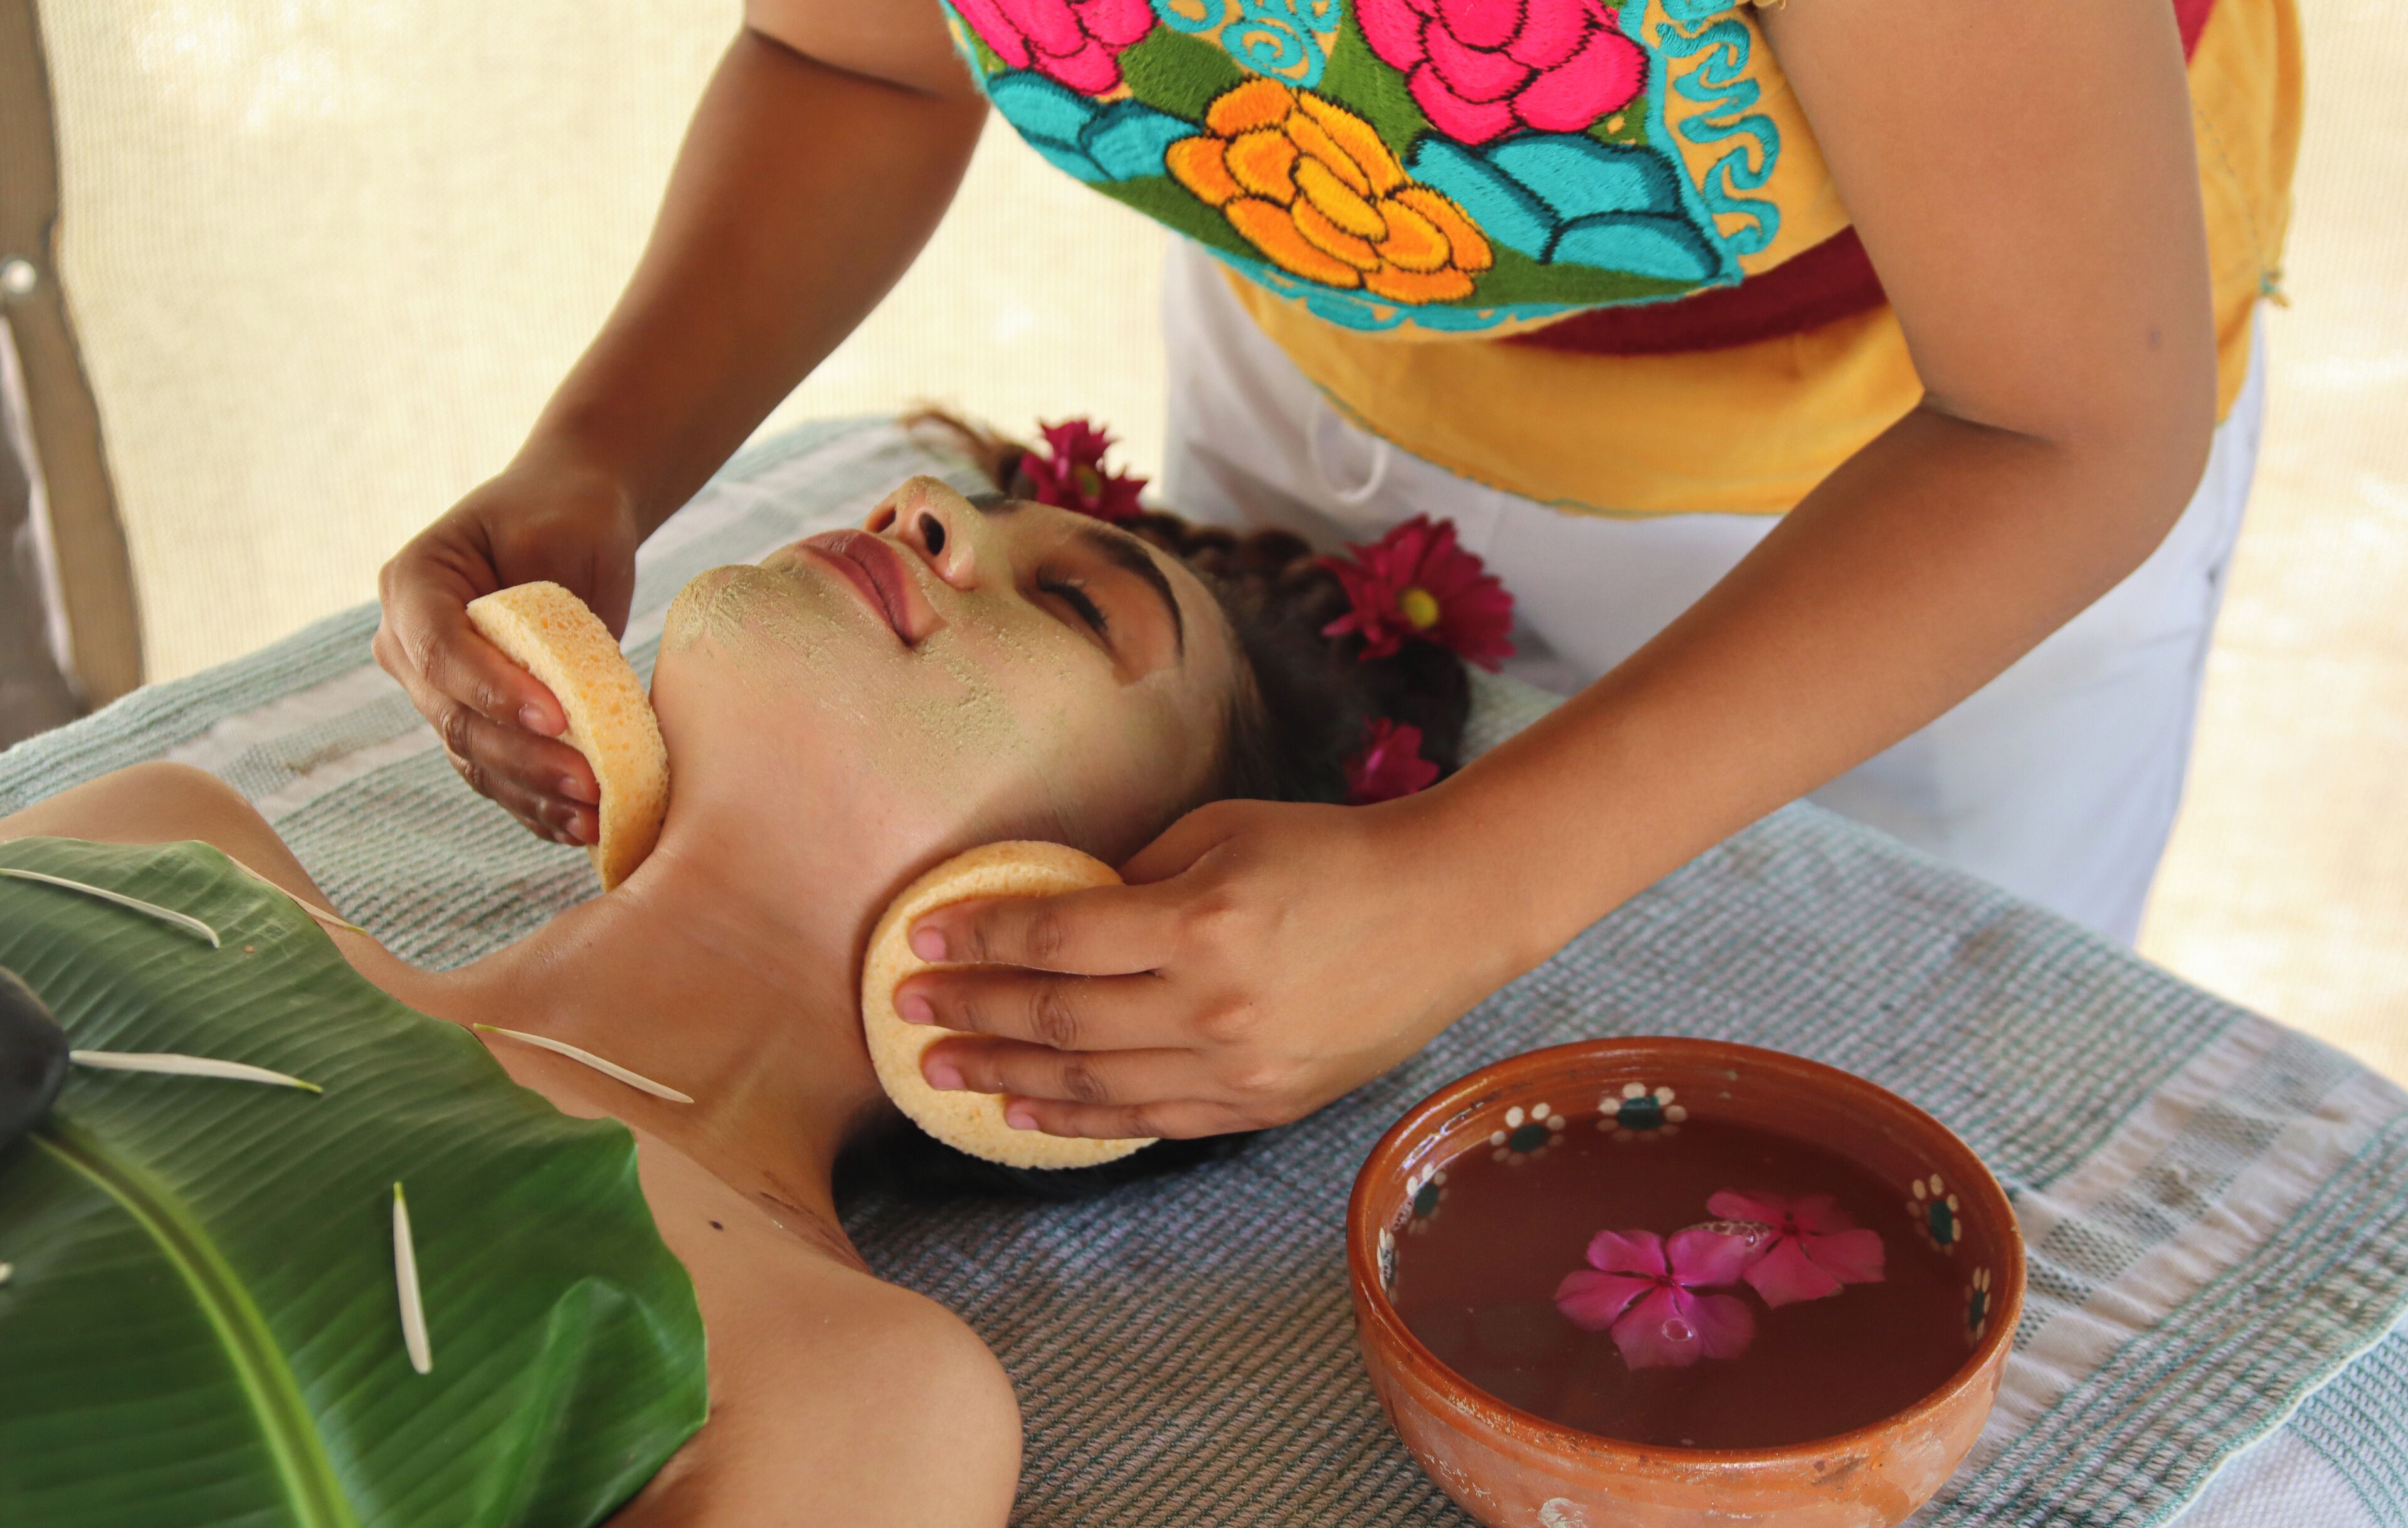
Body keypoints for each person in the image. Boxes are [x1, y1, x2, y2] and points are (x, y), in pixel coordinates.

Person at [372, 1, 2299, 1145]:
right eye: (1077, 587)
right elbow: (862, 57)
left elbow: (2059, 428)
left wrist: (1476, 889)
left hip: (1917, 466)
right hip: (1316, 379)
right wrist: (599, 454)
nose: (941, 530)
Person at [1, 461, 1472, 1528]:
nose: (924, 506)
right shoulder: (165, 835)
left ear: (1135, 932)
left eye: (1079, 606)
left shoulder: (860, 1403)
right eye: (939, 501)